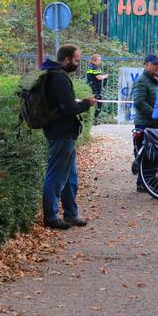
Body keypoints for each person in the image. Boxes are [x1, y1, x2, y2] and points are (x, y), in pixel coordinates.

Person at [40, 44, 97, 230]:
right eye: (76, 60)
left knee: (71, 178)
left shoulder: (55, 76)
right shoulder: (59, 78)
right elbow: (68, 109)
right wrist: (86, 104)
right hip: (61, 133)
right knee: (56, 176)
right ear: (66, 60)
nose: (78, 64)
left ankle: (71, 214)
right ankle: (51, 217)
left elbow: (63, 104)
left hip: (64, 133)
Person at [130, 54, 158, 192]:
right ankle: (144, 183)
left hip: (153, 123)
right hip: (145, 124)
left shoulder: (155, 81)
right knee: (147, 155)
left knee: (152, 155)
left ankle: (144, 183)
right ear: (146, 65)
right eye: (154, 64)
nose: (157, 66)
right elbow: (139, 102)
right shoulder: (141, 81)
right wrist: (155, 114)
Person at [86, 54, 108, 125]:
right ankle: (93, 119)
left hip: (92, 87)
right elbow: (99, 77)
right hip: (94, 88)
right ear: (95, 60)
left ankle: (92, 119)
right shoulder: (94, 68)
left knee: (93, 104)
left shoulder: (91, 67)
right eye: (99, 60)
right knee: (98, 104)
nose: (100, 61)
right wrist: (105, 76)